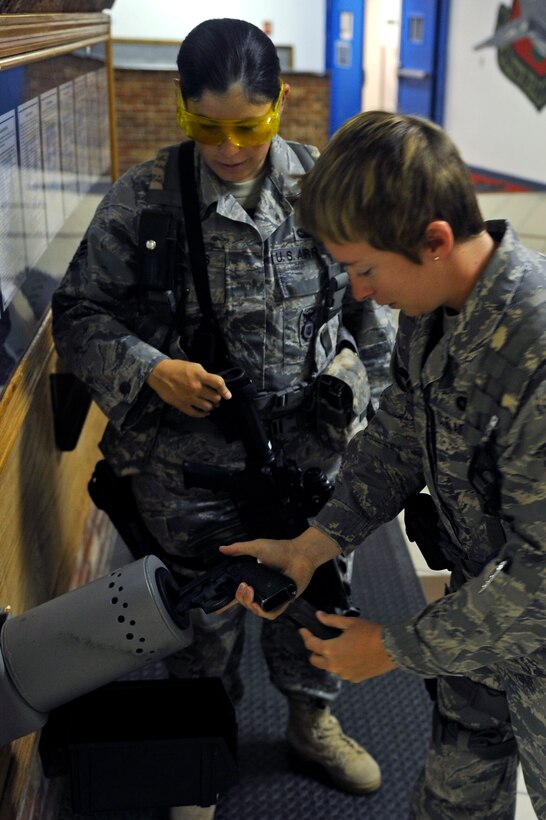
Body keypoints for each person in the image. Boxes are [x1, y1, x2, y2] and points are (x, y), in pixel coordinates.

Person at [51, 19, 395, 819]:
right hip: (188, 467)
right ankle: (203, 743)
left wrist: (349, 382)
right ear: (182, 111)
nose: (231, 148)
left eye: (251, 126)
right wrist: (150, 370)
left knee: (314, 601)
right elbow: (77, 313)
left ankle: (313, 722)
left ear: (281, 106)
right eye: (208, 128)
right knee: (203, 620)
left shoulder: (325, 189)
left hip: (308, 460)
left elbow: (376, 312)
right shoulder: (144, 197)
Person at [224, 110, 546, 820]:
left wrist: (397, 647)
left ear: (433, 241)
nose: (360, 293)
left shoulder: (537, 344)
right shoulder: (435, 311)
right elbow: (400, 432)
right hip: (476, 629)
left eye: (364, 269)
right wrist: (314, 544)